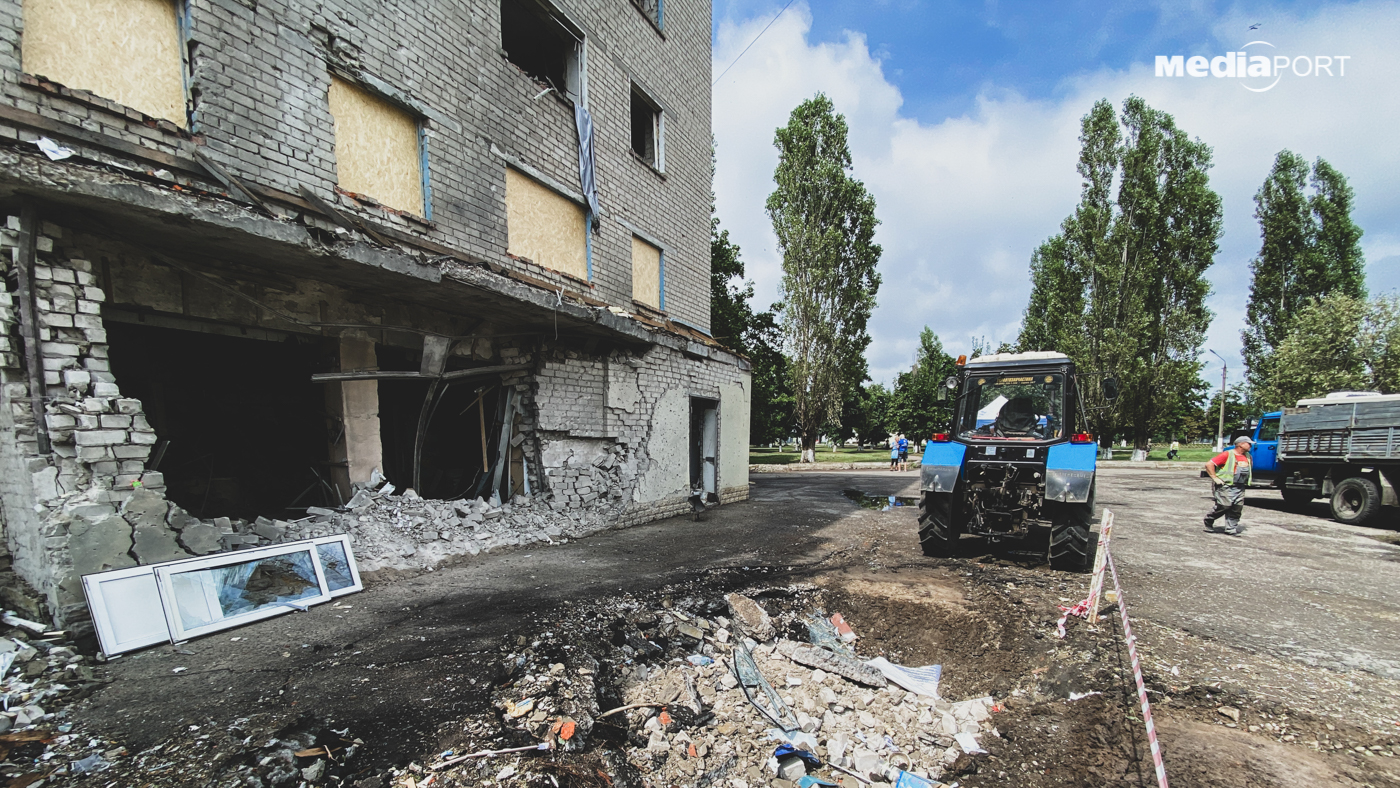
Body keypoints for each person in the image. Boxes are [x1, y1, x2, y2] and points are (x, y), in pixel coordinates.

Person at [1203, 436, 1253, 536]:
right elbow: (1209, 464)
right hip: (1225, 486)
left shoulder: (1248, 456)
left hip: (1240, 486)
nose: (1251, 445)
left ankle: (1231, 529)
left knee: (1237, 508)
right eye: (1249, 443)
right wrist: (1215, 477)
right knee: (1224, 506)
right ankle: (1209, 519)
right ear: (1241, 444)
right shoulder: (1227, 454)